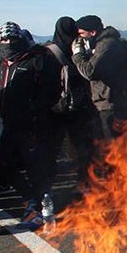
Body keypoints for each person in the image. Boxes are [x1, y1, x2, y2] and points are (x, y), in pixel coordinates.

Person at [0, 23, 58, 228]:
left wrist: (36, 117)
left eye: (11, 39)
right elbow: (1, 90)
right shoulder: (3, 62)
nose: (8, 43)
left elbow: (50, 94)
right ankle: (30, 198)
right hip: (6, 121)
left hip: (31, 124)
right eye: (4, 39)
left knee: (35, 167)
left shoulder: (37, 60)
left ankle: (39, 210)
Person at [45, 16, 97, 186]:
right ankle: (85, 181)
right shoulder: (76, 51)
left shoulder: (48, 53)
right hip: (78, 107)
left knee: (52, 150)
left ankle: (47, 186)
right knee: (81, 148)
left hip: (56, 109)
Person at [71, 14, 127, 139]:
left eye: (81, 34)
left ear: (92, 32)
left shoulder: (106, 46)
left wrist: (78, 55)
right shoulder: (107, 44)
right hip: (114, 102)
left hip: (110, 105)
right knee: (116, 144)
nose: (80, 38)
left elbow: (89, 72)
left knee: (112, 146)